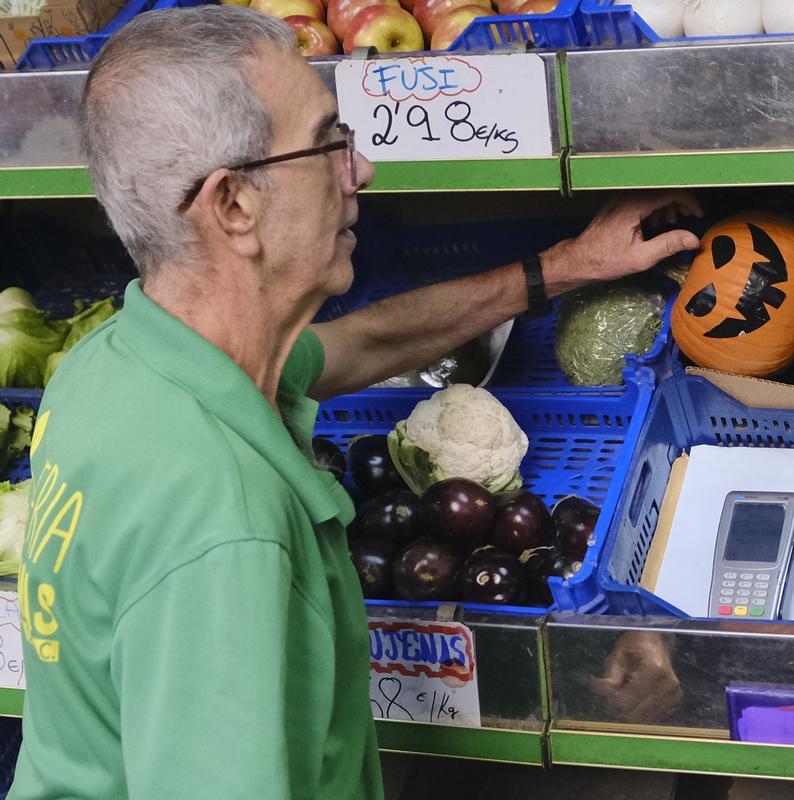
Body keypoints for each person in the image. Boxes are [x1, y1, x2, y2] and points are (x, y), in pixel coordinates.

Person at [11, 6, 701, 799]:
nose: (361, 169)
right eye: (329, 143)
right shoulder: (225, 531)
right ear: (234, 204)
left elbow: (360, 345)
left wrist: (561, 267)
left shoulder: (112, 367)